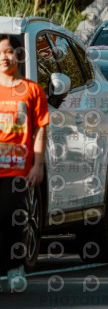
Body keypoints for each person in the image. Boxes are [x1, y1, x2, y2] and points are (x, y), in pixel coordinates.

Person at [0, 34, 49, 292]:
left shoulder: (32, 90)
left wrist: (38, 165)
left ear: (18, 55)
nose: (3, 57)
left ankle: (15, 268)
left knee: (12, 217)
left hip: (17, 168)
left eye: (8, 52)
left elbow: (40, 129)